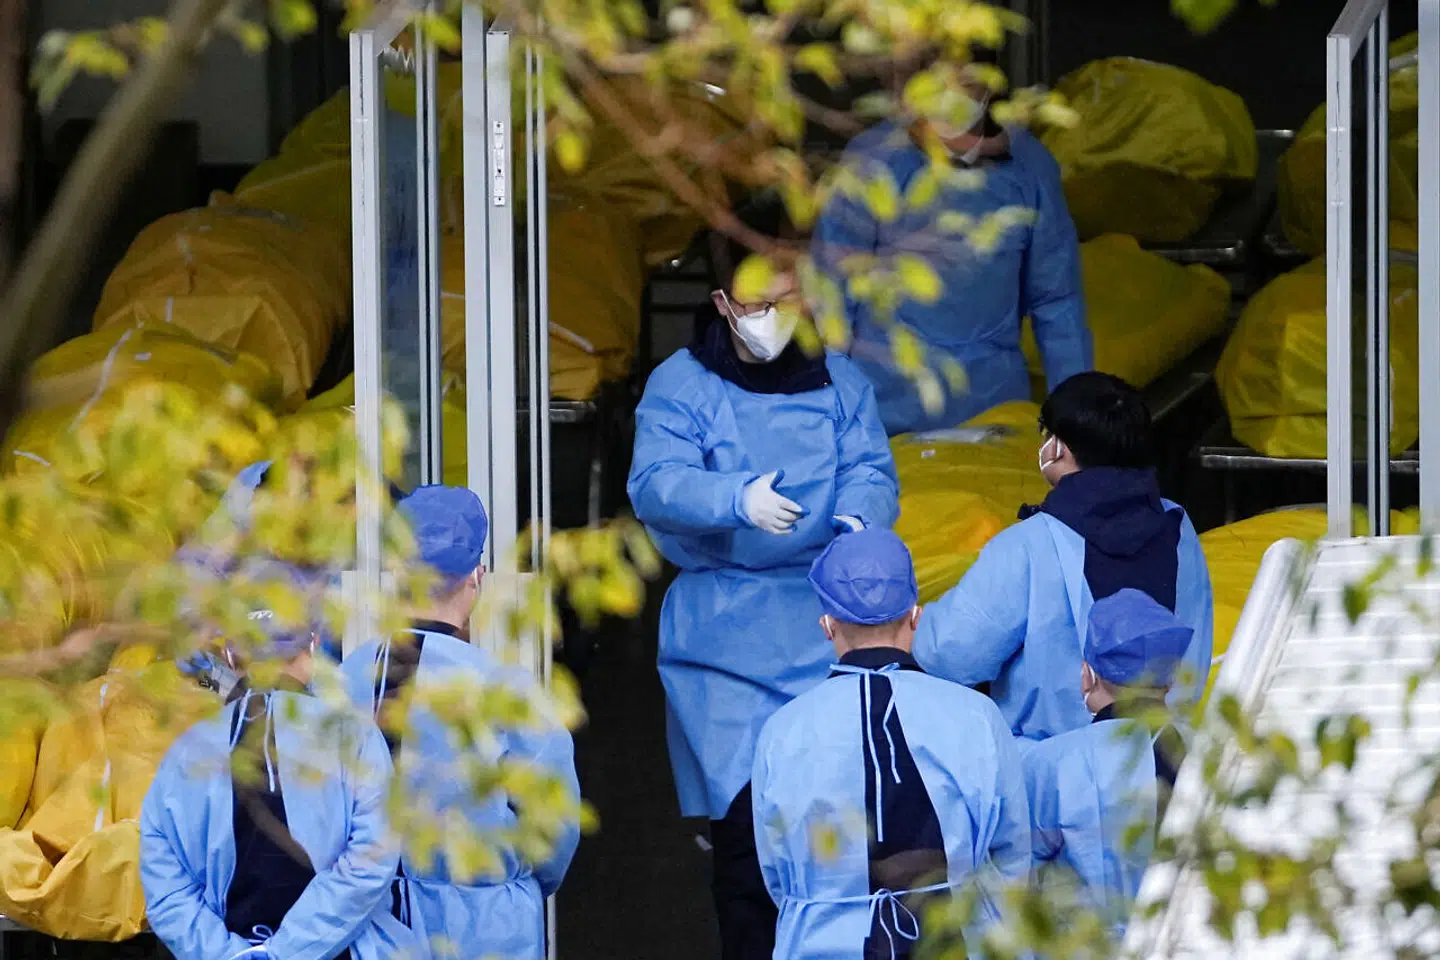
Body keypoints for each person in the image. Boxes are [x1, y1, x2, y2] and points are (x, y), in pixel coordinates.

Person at [628, 207, 900, 959]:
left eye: (791, 299)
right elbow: (653, 481)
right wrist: (732, 499)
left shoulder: (841, 382)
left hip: (822, 626)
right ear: (721, 304)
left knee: (834, 832)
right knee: (748, 838)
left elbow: (871, 470)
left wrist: (854, 523)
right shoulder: (682, 386)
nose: (774, 319)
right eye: (756, 303)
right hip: (725, 639)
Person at [751, 529, 1031, 959]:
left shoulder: (782, 731)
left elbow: (777, 876)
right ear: (916, 614)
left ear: (827, 624)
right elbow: (1011, 856)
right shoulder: (977, 716)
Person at [341, 484, 581, 960]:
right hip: (488, 928)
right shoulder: (507, 692)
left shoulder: (345, 680)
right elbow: (551, 834)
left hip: (369, 922)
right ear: (478, 576)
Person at [140, 560, 416, 960]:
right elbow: (371, 863)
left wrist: (229, 954)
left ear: (231, 653)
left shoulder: (186, 751)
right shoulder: (355, 738)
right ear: (315, 644)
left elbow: (166, 888)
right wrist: (288, 951)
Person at [913, 372, 1213, 741]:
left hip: (1053, 764)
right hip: (1168, 750)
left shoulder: (1029, 543)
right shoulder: (1178, 526)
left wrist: (917, 624)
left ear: (1059, 448)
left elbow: (952, 654)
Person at [812, 55, 1091, 436]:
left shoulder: (1029, 165)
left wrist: (1078, 418)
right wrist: (830, 413)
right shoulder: (872, 160)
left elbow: (1056, 300)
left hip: (993, 411)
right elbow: (834, 295)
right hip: (883, 414)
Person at [1021, 589, 1192, 939]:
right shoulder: (1209, 747)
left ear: (1088, 675)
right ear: (1170, 680)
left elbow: (1019, 861)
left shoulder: (1055, 761)